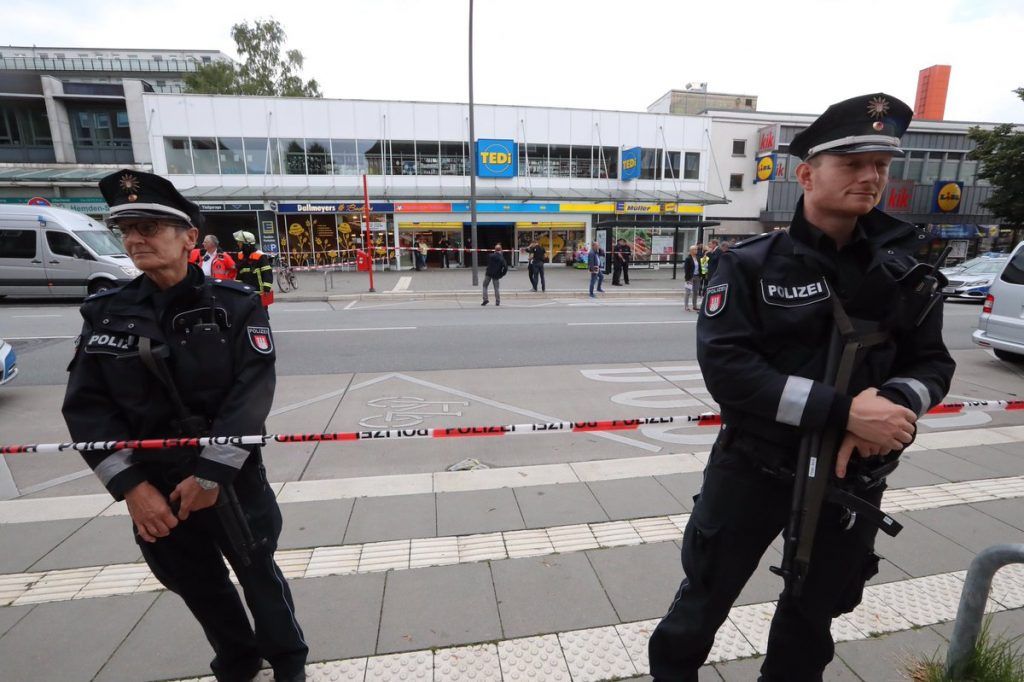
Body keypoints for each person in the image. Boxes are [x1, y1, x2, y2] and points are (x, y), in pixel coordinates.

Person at [648, 94, 955, 681]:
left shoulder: (906, 273)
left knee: (811, 625)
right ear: (807, 173)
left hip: (850, 481)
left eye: (881, 165)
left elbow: (933, 365)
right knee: (698, 610)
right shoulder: (750, 266)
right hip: (752, 471)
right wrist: (843, 412)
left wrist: (893, 405)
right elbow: (729, 372)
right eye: (852, 163)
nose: (870, 177)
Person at [63, 169, 308, 682]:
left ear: (188, 238)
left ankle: (287, 663)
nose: (135, 239)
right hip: (152, 485)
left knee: (257, 571)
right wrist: (131, 488)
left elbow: (252, 394)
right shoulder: (107, 312)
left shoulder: (235, 305)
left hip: (231, 479)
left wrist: (210, 475)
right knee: (196, 583)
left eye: (149, 227)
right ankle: (239, 661)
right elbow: (86, 408)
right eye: (126, 229)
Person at [234, 230, 274, 307]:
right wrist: (237, 288)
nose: (238, 244)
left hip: (259, 293)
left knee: (262, 315)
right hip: (245, 291)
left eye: (240, 242)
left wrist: (266, 289)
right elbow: (239, 274)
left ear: (247, 244)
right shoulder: (241, 255)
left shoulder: (260, 255)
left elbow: (267, 272)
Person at [683, 244, 701, 311]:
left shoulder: (698, 258)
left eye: (696, 249)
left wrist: (701, 275)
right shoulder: (688, 259)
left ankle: (694, 306)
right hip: (690, 277)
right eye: (695, 249)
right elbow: (686, 269)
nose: (696, 250)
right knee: (688, 292)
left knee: (696, 292)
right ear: (691, 251)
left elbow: (700, 267)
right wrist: (687, 279)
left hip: (697, 276)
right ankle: (686, 306)